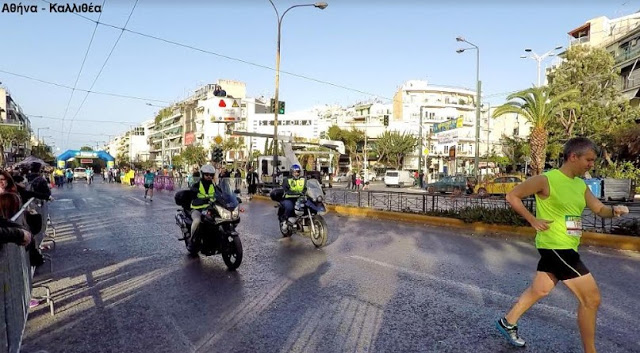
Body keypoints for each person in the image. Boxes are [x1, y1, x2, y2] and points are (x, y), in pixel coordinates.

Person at [495, 137, 629, 352]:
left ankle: (507, 322)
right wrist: (533, 220)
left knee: (540, 289)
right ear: (573, 157)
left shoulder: (580, 185)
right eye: (589, 160)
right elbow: (512, 196)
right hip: (555, 246)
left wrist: (614, 211)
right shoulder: (546, 180)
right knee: (591, 299)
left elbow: (599, 209)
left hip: (569, 245)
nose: (591, 165)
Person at [188, 164, 216, 252]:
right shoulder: (197, 185)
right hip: (197, 209)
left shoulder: (214, 185)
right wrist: (193, 190)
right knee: (197, 221)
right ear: (202, 174)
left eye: (211, 175)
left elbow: (221, 193)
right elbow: (191, 191)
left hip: (210, 208)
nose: (209, 177)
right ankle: (192, 241)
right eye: (207, 174)